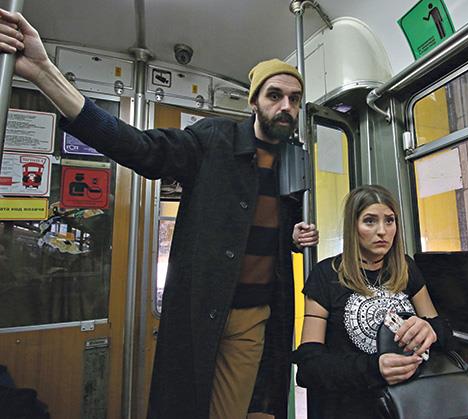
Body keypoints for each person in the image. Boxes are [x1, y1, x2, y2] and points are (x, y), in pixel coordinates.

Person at [0, 10, 319, 419]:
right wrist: (45, 73)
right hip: (199, 308)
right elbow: (141, 148)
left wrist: (291, 239)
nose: (286, 106)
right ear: (254, 101)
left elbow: (266, 225)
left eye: (294, 99)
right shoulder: (213, 141)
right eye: (275, 95)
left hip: (254, 316)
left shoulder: (294, 162)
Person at [293, 184, 454, 418]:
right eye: (370, 221)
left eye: (389, 221)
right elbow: (309, 366)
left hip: (412, 403)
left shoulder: (406, 268)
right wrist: (373, 368)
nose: (382, 231)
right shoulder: (326, 275)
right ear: (353, 227)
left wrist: (430, 330)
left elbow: (444, 332)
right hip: (352, 407)